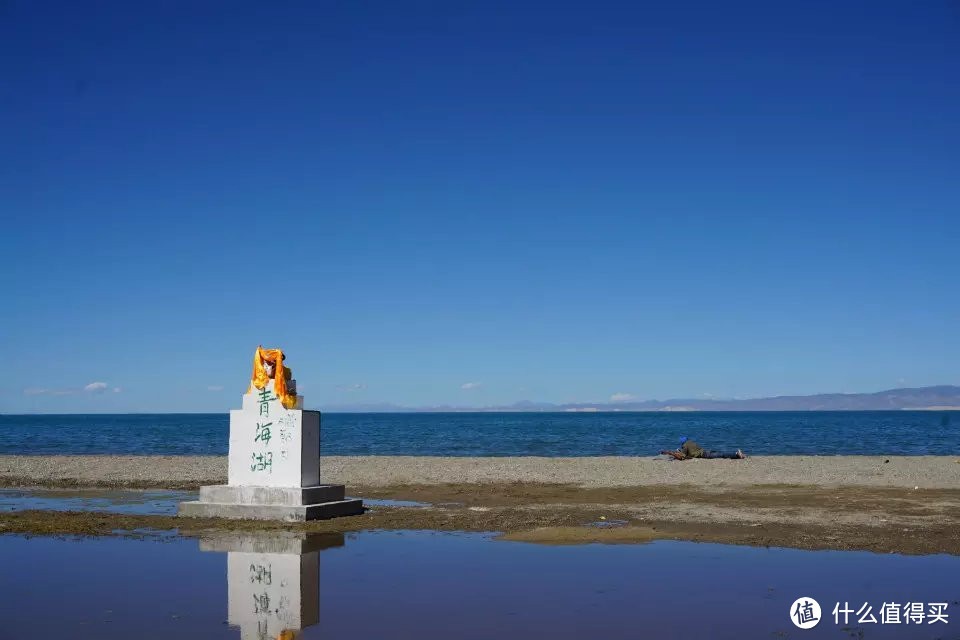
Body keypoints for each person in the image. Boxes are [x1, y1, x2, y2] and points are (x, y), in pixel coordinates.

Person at [660, 436, 746, 460]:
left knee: (721, 455)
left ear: (682, 441)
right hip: (705, 451)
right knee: (721, 453)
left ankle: (736, 454)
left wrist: (673, 453)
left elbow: (683, 456)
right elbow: (691, 451)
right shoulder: (691, 442)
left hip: (704, 455)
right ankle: (737, 455)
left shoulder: (685, 445)